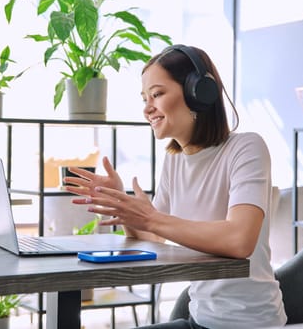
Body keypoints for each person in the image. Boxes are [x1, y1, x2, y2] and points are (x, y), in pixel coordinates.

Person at [64, 44, 287, 328]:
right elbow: (153, 239)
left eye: (156, 94)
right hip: (200, 320)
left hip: (250, 323)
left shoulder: (246, 148)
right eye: (145, 98)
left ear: (199, 93)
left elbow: (239, 239)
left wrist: (151, 218)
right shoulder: (175, 161)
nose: (147, 108)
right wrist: (122, 204)